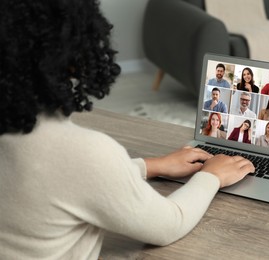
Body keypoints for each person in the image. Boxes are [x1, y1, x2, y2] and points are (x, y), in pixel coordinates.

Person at [0, 1, 255, 259]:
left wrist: (150, 165)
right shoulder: (85, 151)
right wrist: (212, 176)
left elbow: (59, 180)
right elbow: (169, 224)